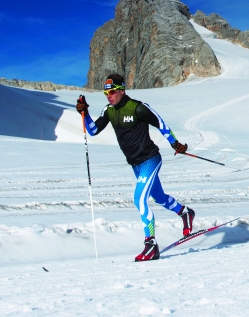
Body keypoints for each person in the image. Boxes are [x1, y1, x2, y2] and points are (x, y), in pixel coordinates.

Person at [76, 73, 195, 262]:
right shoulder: (109, 111)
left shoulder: (137, 108)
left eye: (112, 92)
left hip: (150, 159)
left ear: (122, 90)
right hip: (135, 164)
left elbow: (161, 124)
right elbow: (93, 130)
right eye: (106, 93)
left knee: (140, 199)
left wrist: (175, 144)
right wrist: (85, 113)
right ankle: (185, 213)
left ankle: (151, 245)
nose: (109, 96)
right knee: (159, 197)